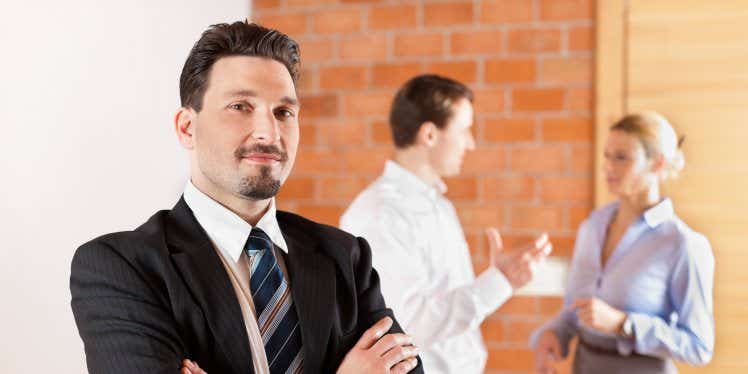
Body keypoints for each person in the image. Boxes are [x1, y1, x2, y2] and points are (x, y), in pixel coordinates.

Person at [70, 21, 423, 374]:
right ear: (187, 128)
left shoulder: (344, 258)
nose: (269, 132)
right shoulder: (123, 268)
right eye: (240, 106)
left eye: (284, 112)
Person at [339, 74, 552, 374]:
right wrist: (499, 282)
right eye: (464, 130)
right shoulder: (379, 214)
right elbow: (409, 324)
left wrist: (498, 279)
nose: (471, 143)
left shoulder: (440, 206)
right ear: (429, 135)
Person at [531, 112, 715, 373]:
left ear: (658, 164)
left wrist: (624, 324)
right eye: (606, 156)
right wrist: (553, 334)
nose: (608, 167)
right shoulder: (592, 227)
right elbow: (575, 309)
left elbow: (699, 347)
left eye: (621, 158)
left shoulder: (682, 244)